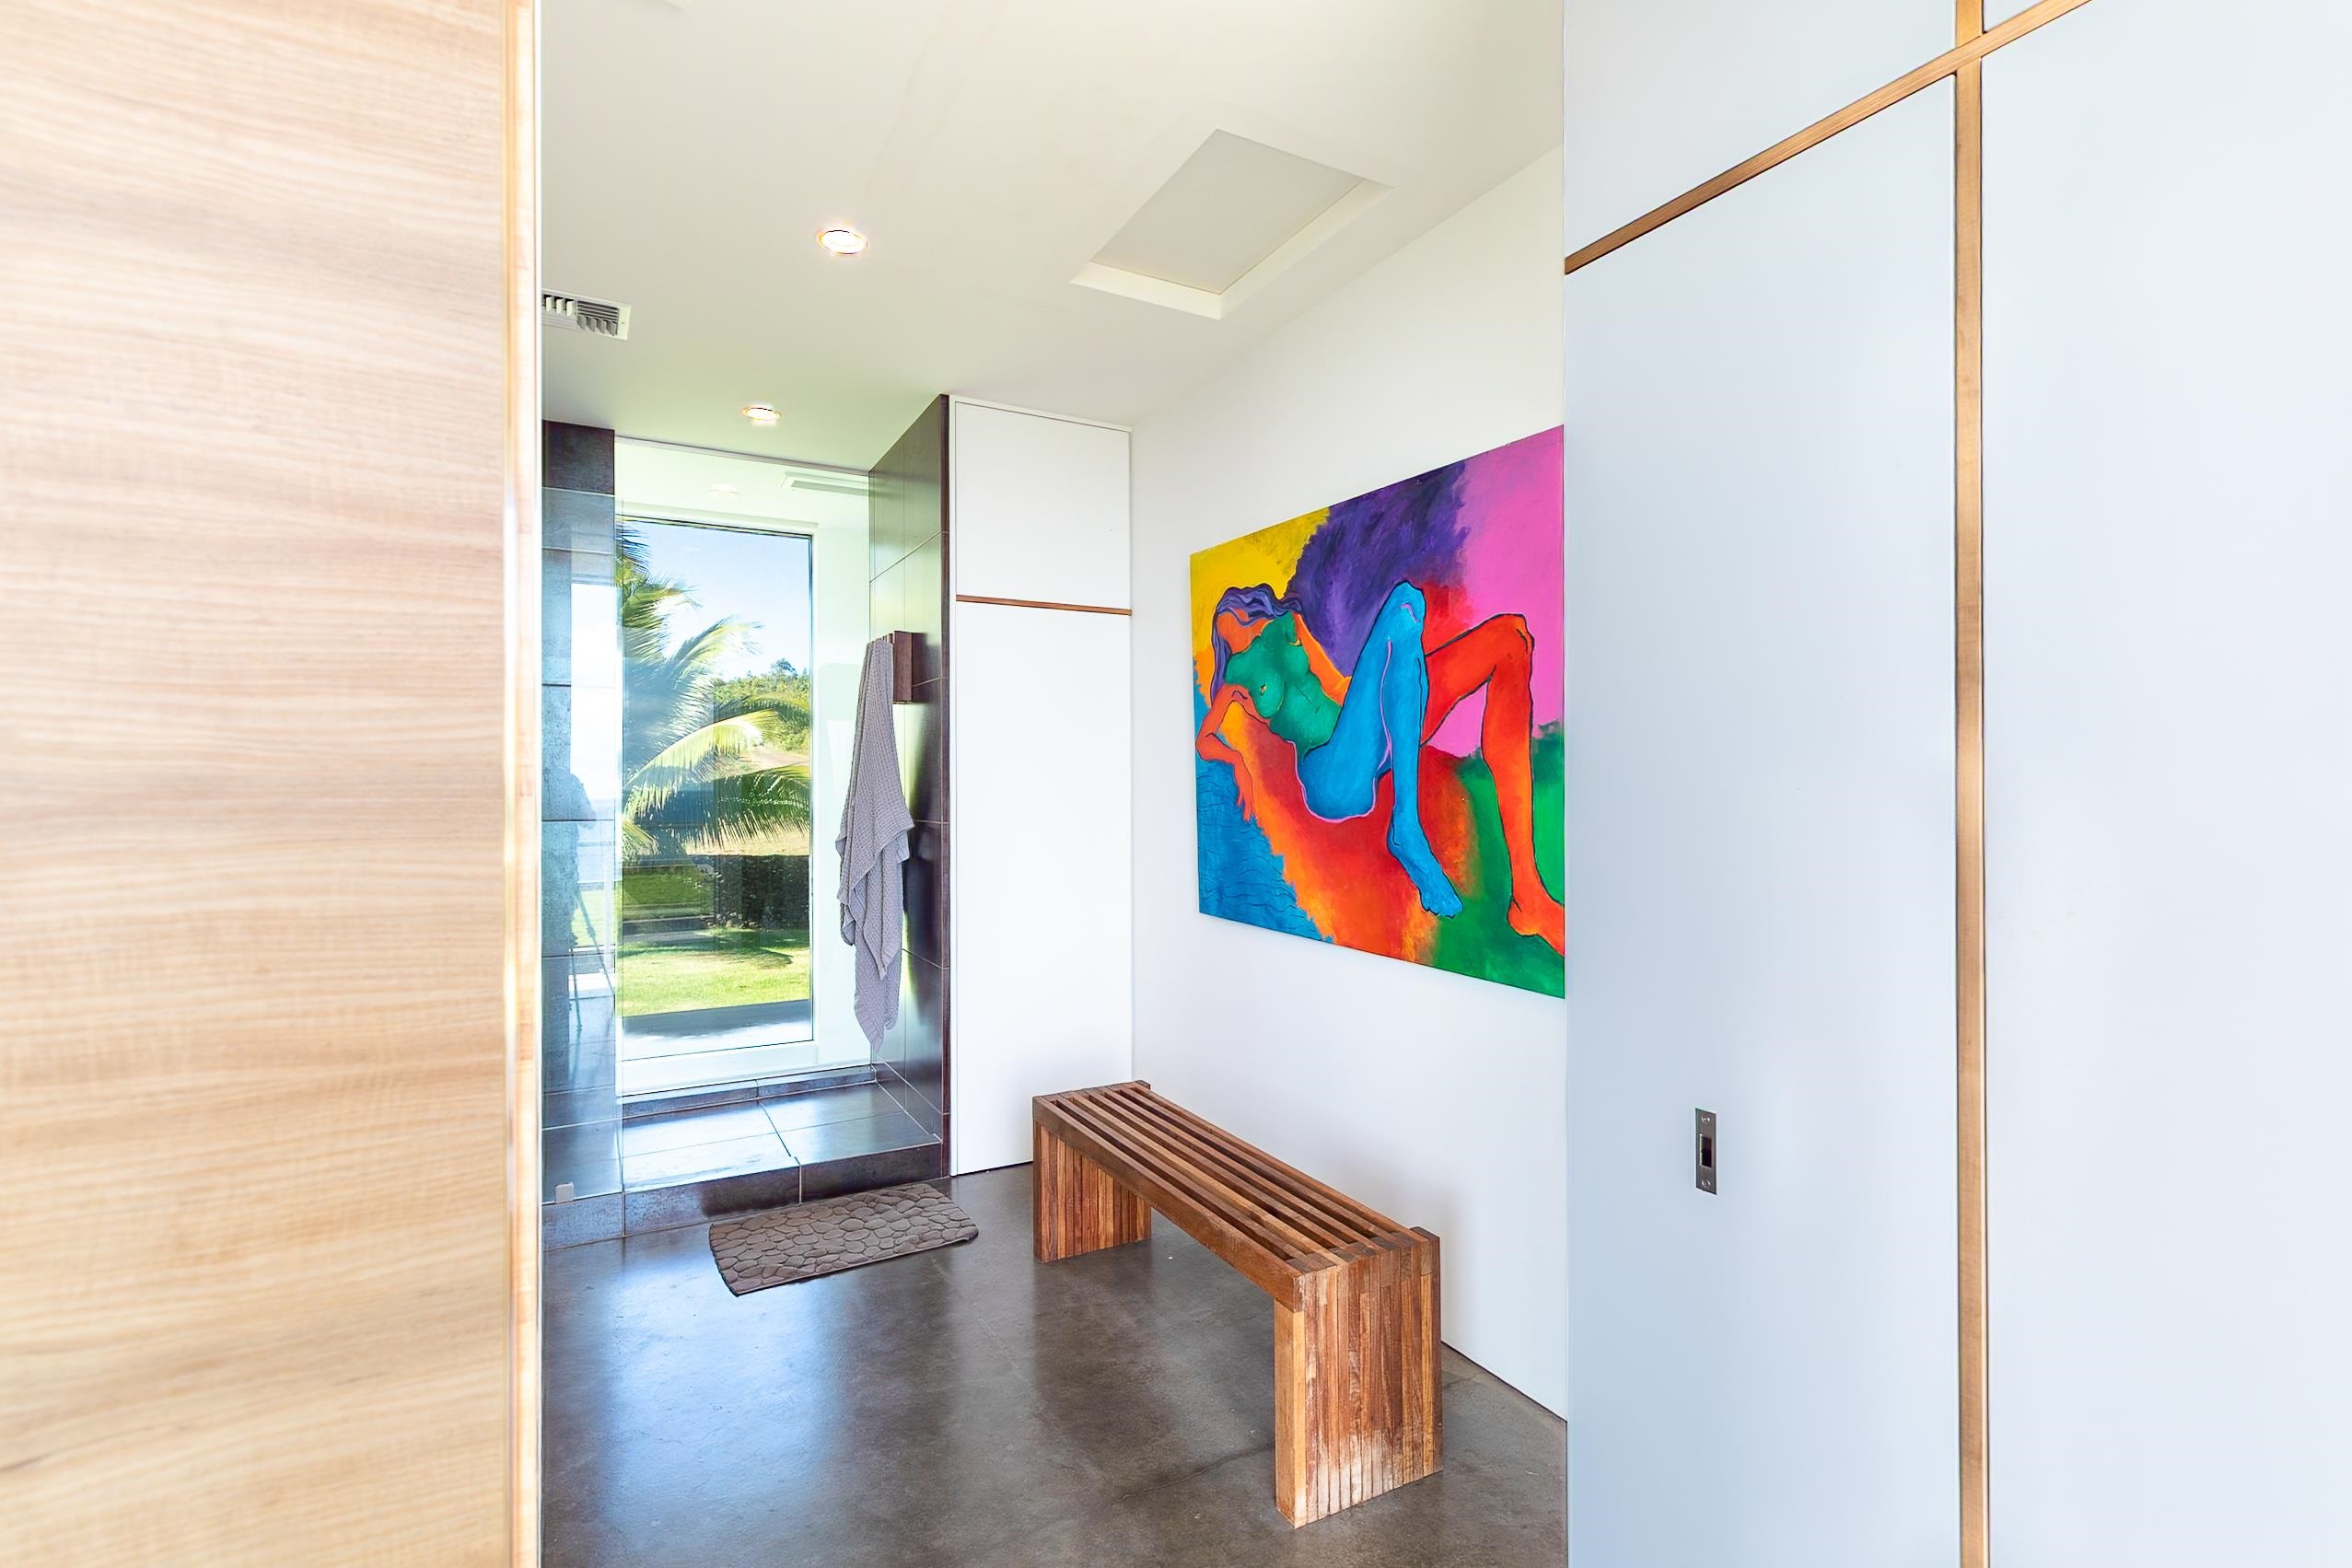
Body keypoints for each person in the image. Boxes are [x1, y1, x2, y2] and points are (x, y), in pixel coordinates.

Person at [1197, 581, 1566, 953]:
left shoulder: (1289, 625)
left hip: (1373, 732)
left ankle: (1528, 895)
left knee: (1509, 637)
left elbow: (1338, 687)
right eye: (1223, 623)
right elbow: (1204, 740)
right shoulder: (1235, 683)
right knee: (1404, 603)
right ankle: (1407, 823)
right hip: (1332, 775)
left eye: (1233, 612)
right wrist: (1237, 761)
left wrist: (1384, 682)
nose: (1232, 621)